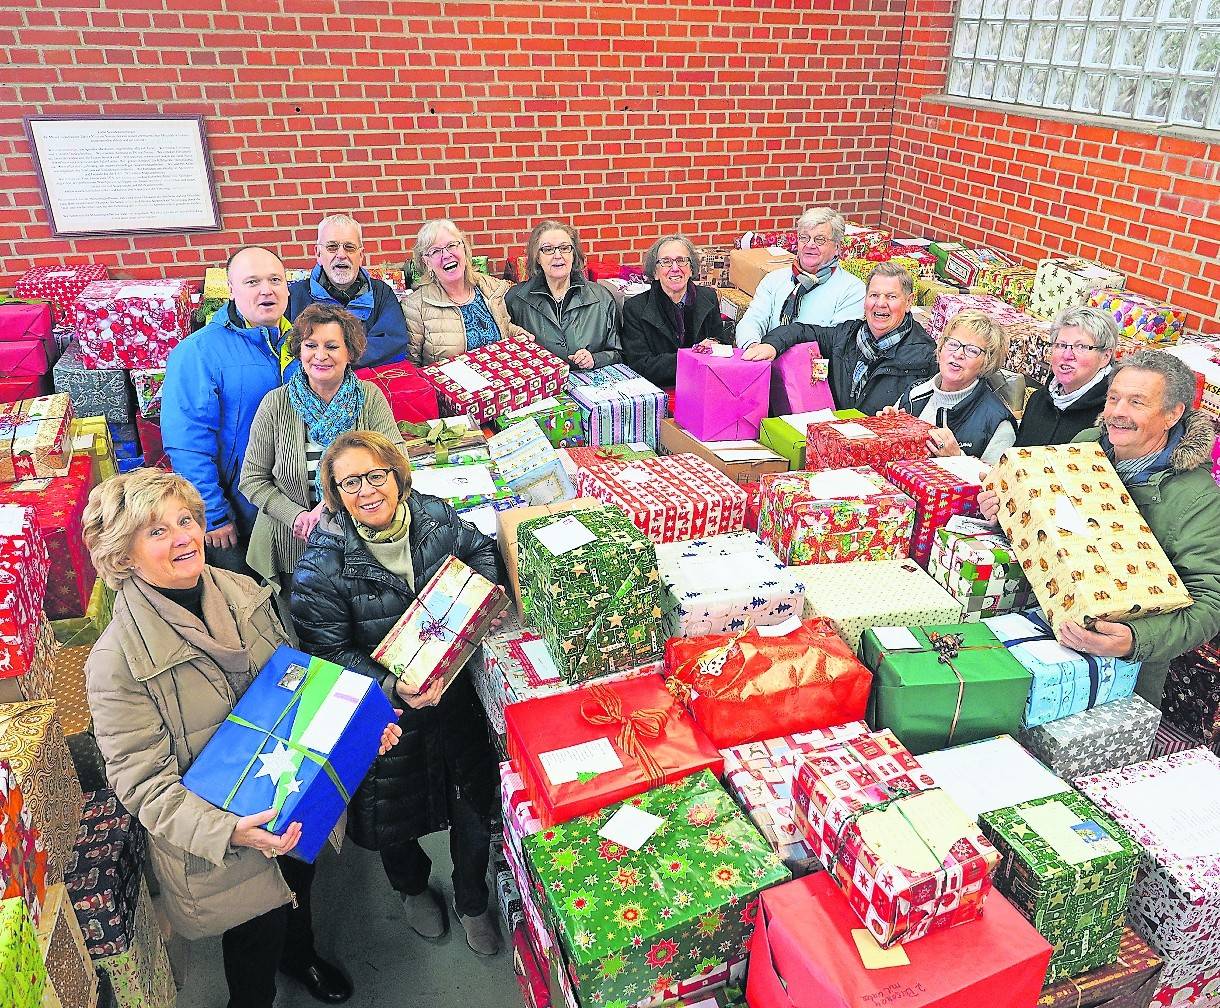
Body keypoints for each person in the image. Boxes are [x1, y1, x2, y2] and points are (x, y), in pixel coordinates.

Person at [82, 469, 399, 1008]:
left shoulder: (242, 588)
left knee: (299, 888)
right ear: (123, 555)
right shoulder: (115, 663)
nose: (183, 537)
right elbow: (143, 786)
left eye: (186, 521)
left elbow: (298, 686)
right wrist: (228, 831)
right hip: (224, 834)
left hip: (292, 799)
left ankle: (301, 958)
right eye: (157, 531)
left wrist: (359, 731)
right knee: (253, 935)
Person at [290, 431, 504, 957]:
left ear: (397, 474)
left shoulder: (435, 516)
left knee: (474, 803)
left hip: (456, 701)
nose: (367, 490)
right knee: (394, 818)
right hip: (384, 715)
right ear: (335, 493)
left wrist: (475, 608)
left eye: (376, 474)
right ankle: (411, 888)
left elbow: (480, 550)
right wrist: (390, 684)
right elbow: (325, 651)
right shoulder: (323, 563)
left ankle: (473, 898)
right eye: (350, 482)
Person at [979, 351, 1220, 707]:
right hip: (1038, 628)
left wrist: (1133, 639)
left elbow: (1210, 605)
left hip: (1121, 673)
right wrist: (1006, 511)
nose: (1118, 412)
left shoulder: (1197, 497)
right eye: (1113, 397)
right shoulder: (1085, 442)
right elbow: (1049, 527)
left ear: (1173, 414)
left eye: (1137, 402)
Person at [240, 303, 404, 594]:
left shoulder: (369, 398)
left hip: (362, 541)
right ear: (299, 350)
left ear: (350, 353)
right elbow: (252, 480)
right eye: (310, 345)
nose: (320, 355)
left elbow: (398, 461)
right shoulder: (275, 404)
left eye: (332, 346)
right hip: (291, 547)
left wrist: (329, 507)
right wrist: (298, 517)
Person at [162, 246, 294, 576]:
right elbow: (187, 443)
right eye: (252, 281)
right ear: (231, 291)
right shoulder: (198, 352)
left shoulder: (305, 342)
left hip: (296, 508)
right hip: (240, 515)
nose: (267, 289)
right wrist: (213, 513)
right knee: (252, 605)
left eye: (275, 279)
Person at [743, 262, 937, 415]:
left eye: (891, 297)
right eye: (874, 295)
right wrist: (771, 346)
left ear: (909, 302)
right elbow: (800, 331)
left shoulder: (925, 356)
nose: (880, 304)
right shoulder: (845, 336)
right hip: (837, 446)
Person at [893, 309, 1017, 464]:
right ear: (940, 348)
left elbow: (995, 484)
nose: (958, 354)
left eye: (972, 350)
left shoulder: (998, 423)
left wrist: (957, 458)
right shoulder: (914, 394)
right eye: (952, 344)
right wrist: (885, 429)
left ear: (987, 362)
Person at [287, 214, 409, 369]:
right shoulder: (294, 297)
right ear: (318, 253)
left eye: (349, 247)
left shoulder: (382, 293)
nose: (341, 255)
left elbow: (394, 343)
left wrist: (334, 357)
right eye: (332, 247)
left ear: (361, 255)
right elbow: (287, 348)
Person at [732, 207, 865, 349]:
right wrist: (753, 347)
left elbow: (837, 343)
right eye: (804, 237)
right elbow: (752, 320)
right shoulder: (774, 280)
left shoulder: (853, 290)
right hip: (769, 361)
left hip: (817, 368)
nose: (810, 245)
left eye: (820, 240)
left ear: (837, 247)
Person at [404, 219, 531, 366]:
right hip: (448, 387)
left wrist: (519, 335)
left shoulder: (491, 288)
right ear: (427, 262)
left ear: (463, 248)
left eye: (451, 245)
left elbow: (505, 328)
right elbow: (411, 365)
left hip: (499, 382)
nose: (446, 255)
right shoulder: (415, 307)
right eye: (436, 251)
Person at [504, 220, 621, 371]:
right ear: (537, 257)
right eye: (548, 249)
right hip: (541, 389)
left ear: (574, 254)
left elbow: (620, 354)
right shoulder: (516, 300)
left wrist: (595, 359)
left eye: (565, 248)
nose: (557, 255)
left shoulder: (602, 298)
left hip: (589, 387)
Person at [620, 235, 727, 388]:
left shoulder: (708, 297)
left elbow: (723, 347)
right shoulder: (635, 308)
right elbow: (639, 366)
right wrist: (693, 356)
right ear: (655, 272)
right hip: (660, 391)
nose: (675, 268)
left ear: (691, 269)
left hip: (704, 387)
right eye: (666, 262)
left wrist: (714, 346)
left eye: (681, 260)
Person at [1015, 306, 1117, 447]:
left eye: (1081, 347)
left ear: (1105, 356)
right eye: (1061, 345)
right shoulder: (1038, 400)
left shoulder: (1110, 416)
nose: (1067, 355)